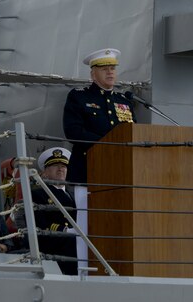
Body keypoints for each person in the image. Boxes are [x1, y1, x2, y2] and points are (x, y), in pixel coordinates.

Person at [62, 48, 135, 271]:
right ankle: (84, 271)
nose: (110, 73)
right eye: (105, 69)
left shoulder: (124, 101)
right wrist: (107, 144)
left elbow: (132, 134)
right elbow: (73, 131)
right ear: (93, 74)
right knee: (86, 226)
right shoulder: (79, 97)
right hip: (88, 173)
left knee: (116, 226)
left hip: (118, 176)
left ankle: (115, 269)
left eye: (113, 68)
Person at [31, 147, 78, 275]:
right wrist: (66, 231)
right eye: (55, 165)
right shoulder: (38, 194)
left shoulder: (74, 195)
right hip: (54, 244)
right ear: (45, 173)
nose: (61, 169)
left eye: (64, 166)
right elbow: (40, 225)